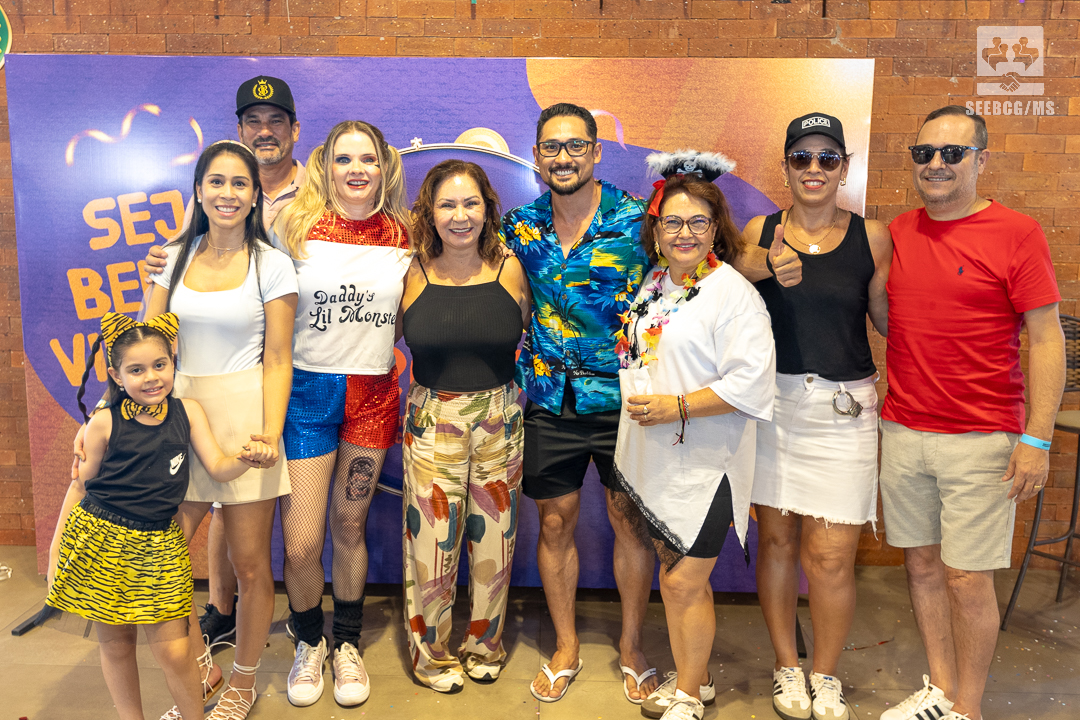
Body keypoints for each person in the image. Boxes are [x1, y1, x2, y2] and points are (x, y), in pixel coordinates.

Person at [879, 105, 1064, 720]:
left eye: (952, 153)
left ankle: (969, 708)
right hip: (903, 429)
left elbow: (1047, 339)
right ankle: (940, 691)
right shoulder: (900, 230)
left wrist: (1037, 439)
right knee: (922, 566)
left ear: (981, 160)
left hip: (983, 438)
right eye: (924, 153)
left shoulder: (1017, 233)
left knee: (966, 577)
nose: (936, 164)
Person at [735, 113, 892, 720]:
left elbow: (887, 320)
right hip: (773, 405)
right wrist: (761, 264)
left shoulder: (872, 237)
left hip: (844, 409)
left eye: (828, 158)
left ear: (844, 168)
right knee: (777, 542)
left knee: (830, 556)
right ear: (786, 167)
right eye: (802, 158)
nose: (814, 169)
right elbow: (721, 287)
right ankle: (786, 665)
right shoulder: (760, 230)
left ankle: (825, 674)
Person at [141, 75, 307, 648]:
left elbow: (278, 360)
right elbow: (147, 344)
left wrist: (270, 433)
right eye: (216, 181)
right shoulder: (171, 258)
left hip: (244, 420)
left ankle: (243, 679)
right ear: (198, 190)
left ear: (255, 194)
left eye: (240, 183)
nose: (228, 193)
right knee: (164, 558)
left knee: (252, 564)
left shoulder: (273, 265)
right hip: (178, 418)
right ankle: (196, 668)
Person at [502, 102, 658, 704]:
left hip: (626, 400)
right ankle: (565, 645)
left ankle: (632, 646)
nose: (563, 157)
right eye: (551, 146)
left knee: (630, 523)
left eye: (575, 146)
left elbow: (694, 273)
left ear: (595, 151)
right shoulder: (519, 226)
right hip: (549, 399)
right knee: (555, 522)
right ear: (536, 155)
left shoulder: (639, 219)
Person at [48, 312, 275, 720]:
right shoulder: (103, 423)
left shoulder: (188, 412)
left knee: (175, 651)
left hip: (160, 545)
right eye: (136, 370)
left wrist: (247, 459)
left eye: (159, 364)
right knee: (116, 645)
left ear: (173, 362)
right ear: (116, 377)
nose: (151, 377)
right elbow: (80, 487)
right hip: (101, 542)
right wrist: (55, 554)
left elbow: (218, 467)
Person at [613, 158, 775, 720]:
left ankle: (686, 696)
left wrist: (677, 406)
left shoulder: (732, 293)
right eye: (672, 222)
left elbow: (752, 384)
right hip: (656, 458)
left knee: (683, 581)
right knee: (674, 574)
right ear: (656, 230)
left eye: (698, 222)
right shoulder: (655, 284)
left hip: (709, 464)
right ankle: (696, 679)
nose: (684, 233)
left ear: (716, 229)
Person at [271, 120, 411, 707]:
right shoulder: (293, 228)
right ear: (325, 165)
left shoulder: (406, 235)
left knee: (349, 527)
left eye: (368, 158)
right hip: (306, 396)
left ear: (385, 167)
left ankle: (347, 642)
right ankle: (309, 641)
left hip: (372, 397)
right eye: (344, 158)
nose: (357, 169)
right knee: (302, 542)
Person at [400, 159, 530, 692]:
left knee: (495, 539)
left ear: (487, 208)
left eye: (471, 203)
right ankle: (432, 657)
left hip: (500, 417)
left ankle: (484, 645)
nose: (460, 216)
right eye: (447, 204)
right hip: (433, 417)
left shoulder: (510, 268)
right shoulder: (410, 271)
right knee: (431, 542)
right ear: (430, 212)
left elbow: (535, 332)